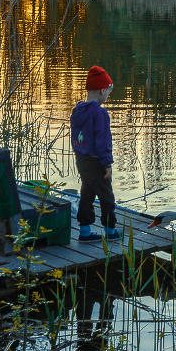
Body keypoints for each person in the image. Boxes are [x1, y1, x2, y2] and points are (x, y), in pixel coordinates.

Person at [70, 65, 118, 241]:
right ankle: (111, 231)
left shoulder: (77, 111)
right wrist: (107, 164)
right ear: (102, 90)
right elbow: (103, 141)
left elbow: (75, 136)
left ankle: (84, 231)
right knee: (106, 196)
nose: (107, 97)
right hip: (97, 161)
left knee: (87, 193)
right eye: (108, 93)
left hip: (81, 160)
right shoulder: (99, 113)